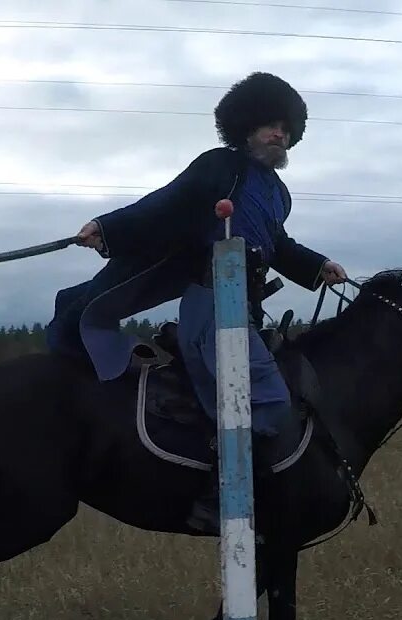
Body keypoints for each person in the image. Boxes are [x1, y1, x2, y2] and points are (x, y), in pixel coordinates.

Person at [45, 71, 347, 531]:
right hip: (211, 302)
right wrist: (107, 227)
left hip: (246, 305)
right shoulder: (218, 167)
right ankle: (218, 497)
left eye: (285, 128)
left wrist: (318, 264)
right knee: (262, 397)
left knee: (254, 394)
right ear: (246, 126)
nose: (279, 133)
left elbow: (278, 244)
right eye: (269, 124)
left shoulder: (278, 194)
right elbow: (166, 203)